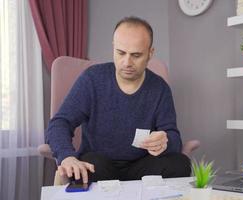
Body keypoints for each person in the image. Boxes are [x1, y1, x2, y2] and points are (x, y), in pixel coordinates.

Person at [46, 16, 191, 184]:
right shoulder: (92, 79)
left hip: (141, 167)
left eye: (136, 55)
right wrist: (67, 156)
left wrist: (165, 141)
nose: (127, 62)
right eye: (121, 53)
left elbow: (173, 137)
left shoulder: (159, 88)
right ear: (114, 48)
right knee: (89, 166)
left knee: (181, 164)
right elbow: (59, 123)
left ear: (150, 53)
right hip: (99, 164)